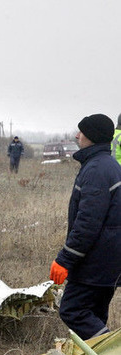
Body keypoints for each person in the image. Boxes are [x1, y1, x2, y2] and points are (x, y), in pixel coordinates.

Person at [49, 113, 121, 340]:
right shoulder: (108, 165)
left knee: (73, 310)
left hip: (96, 261)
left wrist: (65, 260)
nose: (77, 135)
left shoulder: (96, 170)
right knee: (95, 315)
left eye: (81, 131)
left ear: (91, 136)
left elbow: (88, 223)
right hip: (109, 259)